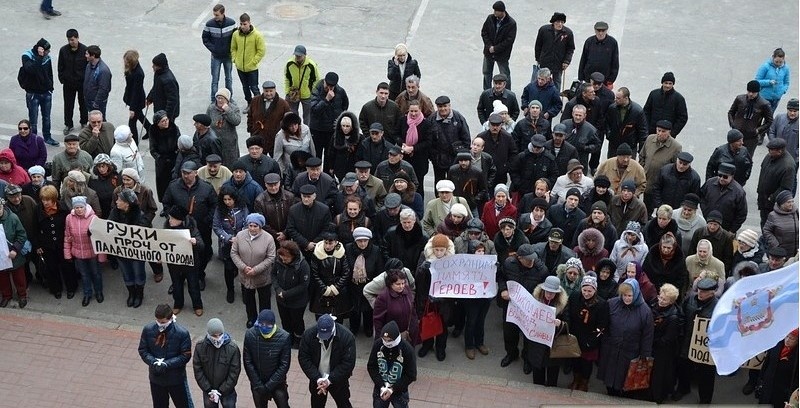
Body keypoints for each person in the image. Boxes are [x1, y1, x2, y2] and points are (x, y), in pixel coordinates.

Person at [163, 161, 218, 290]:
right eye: (183, 173)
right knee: (177, 255)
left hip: (201, 228)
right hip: (178, 229)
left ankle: (199, 275)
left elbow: (214, 206)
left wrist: (207, 220)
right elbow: (166, 204)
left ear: (195, 173)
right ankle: (178, 280)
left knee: (201, 253)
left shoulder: (206, 188)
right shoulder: (173, 187)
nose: (186, 176)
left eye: (188, 173)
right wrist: (172, 218)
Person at [596, 278, 654, 396]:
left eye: (630, 295)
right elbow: (604, 324)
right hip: (611, 348)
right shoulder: (612, 303)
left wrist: (644, 355)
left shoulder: (645, 311)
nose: (627, 298)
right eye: (624, 295)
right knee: (609, 376)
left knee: (624, 379)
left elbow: (647, 336)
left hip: (630, 351)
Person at [498, 244, 547, 373]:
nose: (531, 261)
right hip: (511, 306)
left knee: (528, 335)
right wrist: (503, 289)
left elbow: (543, 289)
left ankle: (527, 358)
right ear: (519, 258)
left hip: (529, 308)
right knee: (509, 333)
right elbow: (501, 276)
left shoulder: (541, 270)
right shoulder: (509, 264)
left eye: (533, 258)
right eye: (528, 259)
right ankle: (511, 353)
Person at [672, 278, 719, 403]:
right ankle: (683, 388)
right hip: (687, 340)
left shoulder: (718, 306)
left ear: (713, 292)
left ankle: (705, 399)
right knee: (683, 367)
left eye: (704, 291)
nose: (700, 293)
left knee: (706, 374)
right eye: (699, 290)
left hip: (705, 347)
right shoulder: (690, 299)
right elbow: (681, 315)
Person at [138, 304, 193, 408]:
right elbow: (143, 350)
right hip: (156, 377)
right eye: (158, 321)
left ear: (171, 318)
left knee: (183, 405)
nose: (160, 324)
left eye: (163, 322)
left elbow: (185, 356)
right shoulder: (148, 330)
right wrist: (153, 362)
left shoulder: (182, 333)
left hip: (176, 378)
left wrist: (166, 364)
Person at [298, 314, 357, 408]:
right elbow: (304, 358)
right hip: (317, 381)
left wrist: (330, 380)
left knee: (344, 404)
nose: (324, 337)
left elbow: (348, 363)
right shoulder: (309, 335)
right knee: (317, 405)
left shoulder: (346, 337)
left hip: (339, 379)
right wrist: (317, 378)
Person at [565, 272, 609, 391]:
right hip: (575, 336)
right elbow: (568, 313)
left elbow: (602, 326)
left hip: (590, 339)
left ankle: (584, 382)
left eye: (590, 291)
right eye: (584, 290)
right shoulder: (574, 296)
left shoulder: (602, 304)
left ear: (595, 290)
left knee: (586, 363)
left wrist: (592, 341)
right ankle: (576, 379)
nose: (586, 293)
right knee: (575, 361)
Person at [231, 213, 276, 327]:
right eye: (250, 225)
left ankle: (264, 321)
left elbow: (271, 257)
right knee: (248, 300)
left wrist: (256, 270)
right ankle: (251, 318)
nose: (252, 228)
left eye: (255, 226)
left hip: (262, 277)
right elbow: (234, 253)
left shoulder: (268, 238)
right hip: (245, 276)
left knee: (264, 301)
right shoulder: (240, 236)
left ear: (260, 226)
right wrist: (243, 267)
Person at [415, 234, 455, 361]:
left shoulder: (452, 260)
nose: (438, 253)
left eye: (441, 250)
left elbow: (455, 281)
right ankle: (427, 345)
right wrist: (423, 269)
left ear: (446, 250)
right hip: (428, 298)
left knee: (442, 325)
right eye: (436, 250)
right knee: (427, 321)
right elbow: (417, 277)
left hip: (444, 300)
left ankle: (440, 348)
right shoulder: (424, 255)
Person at [243, 309, 292, 408]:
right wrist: (258, 384)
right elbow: (248, 362)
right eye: (262, 325)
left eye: (268, 325)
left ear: (273, 324)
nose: (264, 328)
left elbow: (284, 365)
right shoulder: (250, 335)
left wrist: (269, 386)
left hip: (277, 383)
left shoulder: (284, 337)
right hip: (257, 383)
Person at [525, 275, 568, 386]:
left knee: (552, 373)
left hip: (553, 345)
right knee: (537, 372)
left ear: (557, 294)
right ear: (543, 290)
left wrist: (560, 324)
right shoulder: (533, 300)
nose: (549, 295)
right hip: (536, 342)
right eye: (547, 292)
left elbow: (568, 323)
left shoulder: (563, 305)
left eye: (552, 293)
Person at [34, 185, 74, 301]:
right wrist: (38, 245)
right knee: (52, 268)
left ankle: (71, 287)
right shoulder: (38, 209)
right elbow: (35, 228)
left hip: (63, 243)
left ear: (54, 199)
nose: (45, 202)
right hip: (47, 245)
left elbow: (69, 226)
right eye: (43, 199)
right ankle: (56, 289)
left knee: (67, 266)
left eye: (48, 200)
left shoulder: (63, 208)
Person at [63, 196, 105, 307]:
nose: (79, 209)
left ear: (85, 206)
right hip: (78, 253)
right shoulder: (69, 218)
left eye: (81, 207)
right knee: (84, 275)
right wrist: (67, 254)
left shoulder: (93, 218)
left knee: (96, 274)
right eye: (76, 207)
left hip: (92, 253)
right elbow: (67, 236)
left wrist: (102, 257)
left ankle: (99, 292)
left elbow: (100, 238)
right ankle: (87, 294)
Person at [109, 188, 148, 307]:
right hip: (121, 252)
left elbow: (145, 235)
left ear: (127, 203)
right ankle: (131, 293)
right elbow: (108, 226)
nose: (116, 202)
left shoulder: (140, 216)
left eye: (119, 199)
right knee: (126, 273)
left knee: (138, 273)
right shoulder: (114, 212)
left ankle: (139, 294)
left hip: (136, 253)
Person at [164, 206, 205, 316]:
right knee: (176, 285)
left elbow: (202, 245)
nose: (170, 220)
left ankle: (197, 305)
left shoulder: (192, 229)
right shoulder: (167, 227)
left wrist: (195, 242)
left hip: (190, 264)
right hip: (174, 264)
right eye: (169, 218)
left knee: (193, 286)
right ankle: (178, 304)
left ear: (180, 220)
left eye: (172, 218)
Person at [367, 321, 418, 408]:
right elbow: (371, 366)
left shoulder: (407, 350)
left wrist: (392, 389)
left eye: (389, 340)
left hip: (400, 391)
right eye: (384, 340)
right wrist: (381, 385)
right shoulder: (378, 344)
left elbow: (411, 375)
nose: (387, 343)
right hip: (380, 388)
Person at [193, 317, 241, 408]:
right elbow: (198, 370)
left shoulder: (232, 349)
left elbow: (234, 372)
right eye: (214, 336)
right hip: (209, 391)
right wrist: (208, 389)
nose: (218, 338)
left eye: (220, 335)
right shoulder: (200, 347)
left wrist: (222, 390)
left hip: (227, 391)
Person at [345, 227, 384, 337]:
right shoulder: (348, 248)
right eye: (359, 241)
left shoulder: (375, 250)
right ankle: (354, 327)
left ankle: (368, 327)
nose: (362, 244)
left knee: (368, 309)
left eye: (365, 241)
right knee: (354, 308)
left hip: (369, 284)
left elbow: (379, 269)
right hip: (353, 285)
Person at [212, 185, 248, 304]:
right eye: (225, 200)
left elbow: (247, 223)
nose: (227, 202)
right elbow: (217, 227)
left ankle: (245, 290)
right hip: (227, 243)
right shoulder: (219, 209)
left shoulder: (242, 207)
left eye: (230, 199)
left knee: (243, 268)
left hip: (242, 242)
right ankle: (230, 290)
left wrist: (240, 236)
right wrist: (228, 238)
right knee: (228, 268)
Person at [308, 228, 353, 320]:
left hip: (338, 289)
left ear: (336, 242)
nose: (327, 246)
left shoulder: (341, 253)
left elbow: (346, 272)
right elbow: (314, 274)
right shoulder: (316, 254)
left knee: (338, 318)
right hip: (321, 290)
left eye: (330, 243)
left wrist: (336, 287)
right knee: (321, 318)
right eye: (325, 243)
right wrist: (324, 289)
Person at [272, 240, 310, 349]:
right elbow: (273, 275)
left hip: (297, 302)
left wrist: (286, 294)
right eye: (282, 257)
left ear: (293, 255)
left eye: (286, 258)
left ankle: (298, 339)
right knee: (285, 320)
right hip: (281, 299)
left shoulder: (303, 265)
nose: (283, 260)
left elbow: (304, 285)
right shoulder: (278, 260)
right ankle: (287, 338)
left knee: (297, 322)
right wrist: (278, 289)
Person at [20, 38, 58, 146]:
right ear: (40, 50)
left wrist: (51, 88)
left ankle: (47, 137)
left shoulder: (47, 57)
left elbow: (50, 73)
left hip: (46, 92)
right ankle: (33, 140)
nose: (48, 53)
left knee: (46, 117)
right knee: (33, 120)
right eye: (46, 51)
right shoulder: (27, 56)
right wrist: (39, 57)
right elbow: (30, 70)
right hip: (33, 93)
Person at [638, 120, 682, 213]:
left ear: (669, 132)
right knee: (647, 208)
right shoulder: (650, 139)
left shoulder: (676, 147)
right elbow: (642, 156)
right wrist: (643, 170)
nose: (660, 133)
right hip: (648, 181)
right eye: (658, 130)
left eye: (663, 131)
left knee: (662, 211)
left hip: (662, 185)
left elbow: (676, 167)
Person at [649, 283, 682, 404]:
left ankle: (657, 396)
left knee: (659, 374)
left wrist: (653, 342)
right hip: (654, 345)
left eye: (665, 300)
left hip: (662, 351)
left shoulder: (673, 317)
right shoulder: (654, 305)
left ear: (671, 301)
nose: (661, 301)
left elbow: (668, 338)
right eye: (660, 297)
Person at [372, 268, 419, 346]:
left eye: (403, 283)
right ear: (390, 284)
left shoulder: (407, 289)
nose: (401, 286)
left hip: (408, 333)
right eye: (398, 284)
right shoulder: (383, 297)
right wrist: (380, 340)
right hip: (392, 337)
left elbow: (412, 309)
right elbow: (378, 320)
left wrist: (414, 326)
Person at [430, 96, 471, 182]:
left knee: (455, 183)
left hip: (455, 158)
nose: (443, 109)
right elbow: (428, 140)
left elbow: (466, 139)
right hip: (438, 160)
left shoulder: (458, 118)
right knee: (439, 183)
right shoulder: (432, 119)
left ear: (449, 106)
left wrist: (461, 156)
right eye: (440, 107)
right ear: (437, 107)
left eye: (445, 106)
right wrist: (432, 156)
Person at [309, 72, 349, 160]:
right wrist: (326, 100)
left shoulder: (340, 91)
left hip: (331, 130)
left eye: (332, 87)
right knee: (316, 155)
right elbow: (314, 110)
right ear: (324, 82)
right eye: (327, 85)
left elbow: (345, 107)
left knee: (330, 156)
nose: (329, 88)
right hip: (317, 129)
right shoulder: (316, 90)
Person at [758, 138, 797, 227]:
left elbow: (786, 188)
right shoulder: (769, 157)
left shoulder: (788, 166)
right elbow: (763, 173)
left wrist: (771, 198)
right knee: (763, 223)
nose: (769, 152)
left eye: (771, 150)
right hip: (763, 199)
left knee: (769, 226)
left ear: (780, 151)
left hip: (772, 204)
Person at [729, 80, 773, 154]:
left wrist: (758, 130)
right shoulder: (740, 99)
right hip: (737, 133)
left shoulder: (764, 104)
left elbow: (769, 121)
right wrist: (733, 124)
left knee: (746, 158)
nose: (750, 94)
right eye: (749, 91)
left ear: (758, 92)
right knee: (730, 154)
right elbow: (731, 112)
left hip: (751, 137)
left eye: (753, 92)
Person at [248, 80, 292, 154]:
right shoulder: (255, 101)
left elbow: (288, 121)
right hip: (258, 137)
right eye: (266, 91)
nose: (268, 93)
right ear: (263, 91)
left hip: (275, 138)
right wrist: (251, 129)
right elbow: (250, 116)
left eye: (271, 91)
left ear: (275, 90)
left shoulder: (283, 104)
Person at [480, 1, 517, 90]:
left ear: (502, 11)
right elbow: (484, 32)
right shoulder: (490, 18)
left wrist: (495, 48)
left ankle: (507, 92)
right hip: (489, 52)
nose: (494, 12)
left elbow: (509, 41)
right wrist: (489, 46)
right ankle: (487, 91)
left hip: (502, 54)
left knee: (505, 74)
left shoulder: (511, 23)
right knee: (486, 72)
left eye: (496, 11)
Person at [202, 4, 235, 103]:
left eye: (217, 15)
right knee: (215, 80)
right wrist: (214, 49)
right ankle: (213, 100)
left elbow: (235, 38)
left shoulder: (232, 23)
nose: (215, 17)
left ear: (223, 13)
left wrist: (232, 50)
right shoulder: (209, 24)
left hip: (228, 56)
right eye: (214, 15)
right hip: (215, 57)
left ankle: (229, 98)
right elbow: (205, 38)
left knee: (228, 78)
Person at [57, 29, 88, 136]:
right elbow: (60, 65)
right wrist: (62, 79)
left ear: (77, 38)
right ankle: (68, 124)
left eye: (73, 40)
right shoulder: (63, 50)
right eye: (69, 40)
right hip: (68, 83)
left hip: (81, 83)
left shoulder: (85, 50)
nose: (71, 42)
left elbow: (88, 66)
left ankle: (84, 122)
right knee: (68, 104)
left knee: (83, 104)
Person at [758, 329, 799, 408]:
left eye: (792, 338)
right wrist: (761, 379)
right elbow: (767, 362)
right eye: (786, 336)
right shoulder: (777, 345)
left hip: (783, 390)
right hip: (768, 384)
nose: (787, 340)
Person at [231, 13, 266, 104]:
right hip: (240, 67)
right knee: (245, 87)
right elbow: (233, 48)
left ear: (249, 23)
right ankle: (249, 103)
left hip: (252, 68)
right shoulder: (236, 34)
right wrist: (235, 59)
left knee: (254, 87)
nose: (242, 26)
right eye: (241, 24)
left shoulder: (257, 35)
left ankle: (259, 106)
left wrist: (254, 62)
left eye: (245, 24)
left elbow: (261, 51)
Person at [0, 197, 28, 308]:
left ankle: (22, 295)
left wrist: (15, 249)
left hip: (13, 254)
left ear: (2, 206)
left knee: (19, 277)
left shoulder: (12, 218)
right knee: (2, 277)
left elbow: (22, 235)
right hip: (1, 256)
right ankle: (6, 296)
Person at [534, 12, 574, 88]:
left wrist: (566, 61)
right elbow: (538, 45)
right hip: (545, 62)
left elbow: (570, 48)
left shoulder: (568, 33)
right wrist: (538, 59)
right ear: (553, 22)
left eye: (562, 22)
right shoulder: (544, 30)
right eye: (558, 22)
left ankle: (555, 99)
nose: (560, 24)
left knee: (557, 84)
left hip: (558, 64)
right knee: (541, 82)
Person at [643, 72, 688, 137]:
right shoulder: (653, 94)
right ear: (662, 83)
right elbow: (646, 111)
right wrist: (647, 128)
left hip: (668, 135)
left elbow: (682, 118)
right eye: (666, 83)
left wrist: (672, 133)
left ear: (673, 84)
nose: (668, 85)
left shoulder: (679, 98)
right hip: (651, 132)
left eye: (670, 83)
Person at [643, 232, 688, 297]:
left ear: (673, 247)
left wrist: (670, 290)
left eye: (669, 248)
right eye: (664, 247)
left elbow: (682, 277)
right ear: (660, 245)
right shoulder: (652, 254)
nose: (666, 250)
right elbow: (645, 271)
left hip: (671, 293)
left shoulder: (679, 257)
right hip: (652, 291)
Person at [284, 45, 320, 125]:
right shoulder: (290, 64)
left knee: (307, 116)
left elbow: (316, 80)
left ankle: (306, 131)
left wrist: (312, 92)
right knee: (293, 114)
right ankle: (296, 129)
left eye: (299, 56)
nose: (297, 57)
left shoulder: (311, 65)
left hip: (307, 95)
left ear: (304, 55)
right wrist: (287, 91)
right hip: (293, 94)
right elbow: (287, 78)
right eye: (296, 55)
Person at [148, 111, 180, 201]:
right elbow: (152, 149)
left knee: (174, 182)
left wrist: (177, 155)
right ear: (157, 123)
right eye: (163, 121)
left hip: (174, 159)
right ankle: (164, 203)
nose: (166, 122)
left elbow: (179, 143)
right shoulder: (153, 131)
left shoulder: (174, 128)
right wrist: (160, 159)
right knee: (162, 184)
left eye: (166, 120)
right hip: (161, 162)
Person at [207, 88, 242, 166]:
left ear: (227, 100)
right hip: (215, 142)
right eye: (218, 98)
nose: (219, 100)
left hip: (229, 144)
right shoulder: (211, 108)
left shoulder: (233, 108)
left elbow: (236, 121)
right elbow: (207, 122)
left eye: (222, 98)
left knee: (230, 165)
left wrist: (227, 111)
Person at [122, 50, 148, 144]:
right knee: (140, 115)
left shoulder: (138, 74)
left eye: (127, 61)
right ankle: (149, 128)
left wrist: (132, 108)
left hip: (137, 101)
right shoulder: (133, 69)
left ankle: (134, 144)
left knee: (132, 123)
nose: (125, 62)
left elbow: (136, 92)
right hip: (134, 98)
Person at [763, 190, 799, 258]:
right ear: (782, 204)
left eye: (792, 201)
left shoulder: (795, 212)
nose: (791, 204)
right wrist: (775, 244)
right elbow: (766, 230)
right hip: (781, 252)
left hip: (796, 251)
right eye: (788, 202)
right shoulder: (773, 215)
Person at [327, 112, 362, 181]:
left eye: (347, 126)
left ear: (352, 127)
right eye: (343, 126)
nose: (345, 128)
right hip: (339, 166)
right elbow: (331, 152)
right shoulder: (335, 137)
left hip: (353, 167)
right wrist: (331, 166)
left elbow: (361, 155)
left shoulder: (359, 138)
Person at [755, 48, 791, 113]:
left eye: (780, 62)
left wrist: (783, 91)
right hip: (764, 97)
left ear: (783, 59)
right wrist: (769, 82)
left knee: (769, 118)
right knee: (759, 116)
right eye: (776, 61)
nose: (778, 64)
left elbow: (786, 82)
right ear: (773, 57)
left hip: (776, 98)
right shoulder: (765, 66)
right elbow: (757, 81)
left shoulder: (786, 68)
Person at [146, 52, 180, 121]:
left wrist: (166, 116)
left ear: (160, 66)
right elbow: (155, 87)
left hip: (167, 113)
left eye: (155, 65)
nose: (152, 66)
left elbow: (172, 100)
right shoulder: (158, 73)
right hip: (159, 108)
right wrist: (150, 98)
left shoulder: (169, 80)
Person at [768, 98, 799, 168]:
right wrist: (774, 145)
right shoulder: (779, 117)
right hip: (775, 156)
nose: (792, 113)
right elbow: (772, 131)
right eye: (790, 110)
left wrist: (796, 153)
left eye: (795, 111)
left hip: (792, 159)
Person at [83, 45, 111, 117]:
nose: (85, 56)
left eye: (87, 54)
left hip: (97, 103)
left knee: (100, 121)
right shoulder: (89, 65)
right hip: (89, 100)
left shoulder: (103, 70)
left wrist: (96, 103)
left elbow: (103, 89)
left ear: (93, 56)